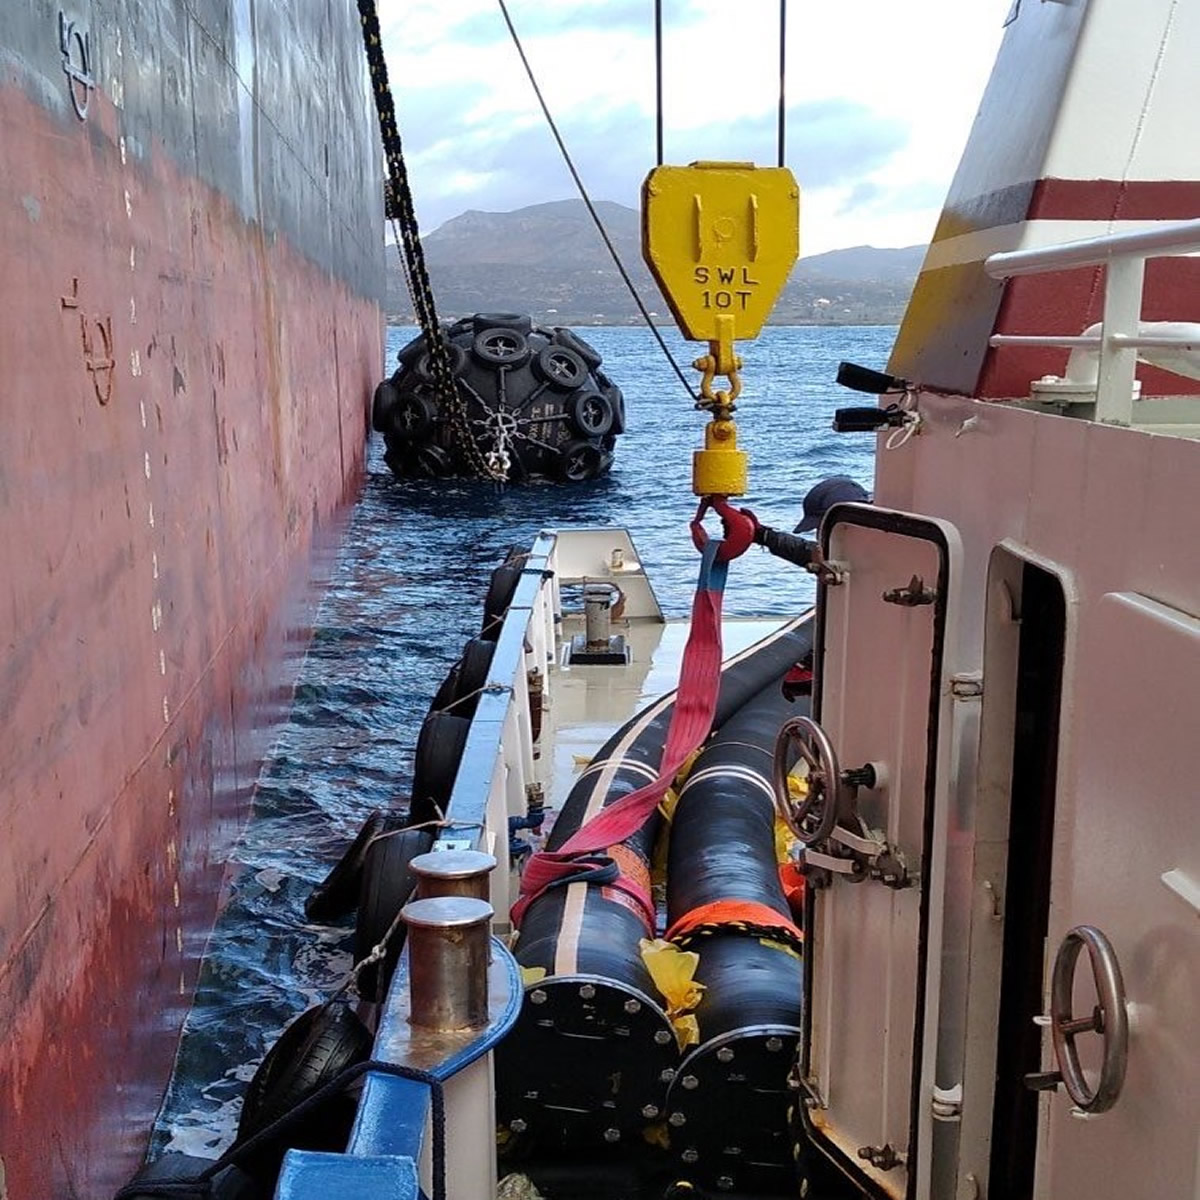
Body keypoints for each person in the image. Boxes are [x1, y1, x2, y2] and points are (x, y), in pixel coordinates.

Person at [749, 476, 869, 569]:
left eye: (824, 527)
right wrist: (763, 535)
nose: (818, 535)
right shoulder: (839, 550)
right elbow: (805, 551)